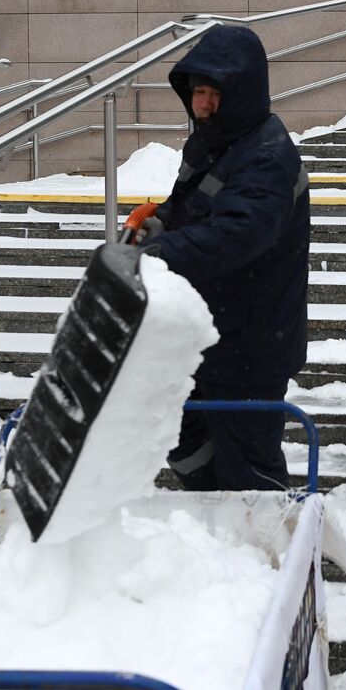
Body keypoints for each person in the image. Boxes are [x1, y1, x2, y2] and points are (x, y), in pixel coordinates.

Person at [135, 25, 310, 492]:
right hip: (212, 333)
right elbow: (197, 206)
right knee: (185, 438)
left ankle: (275, 557)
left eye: (214, 93)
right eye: (198, 92)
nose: (204, 103)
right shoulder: (216, 141)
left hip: (252, 343)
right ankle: (215, 527)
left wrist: (158, 252)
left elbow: (237, 233)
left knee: (251, 471)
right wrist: (162, 219)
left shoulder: (266, 156)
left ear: (242, 93)